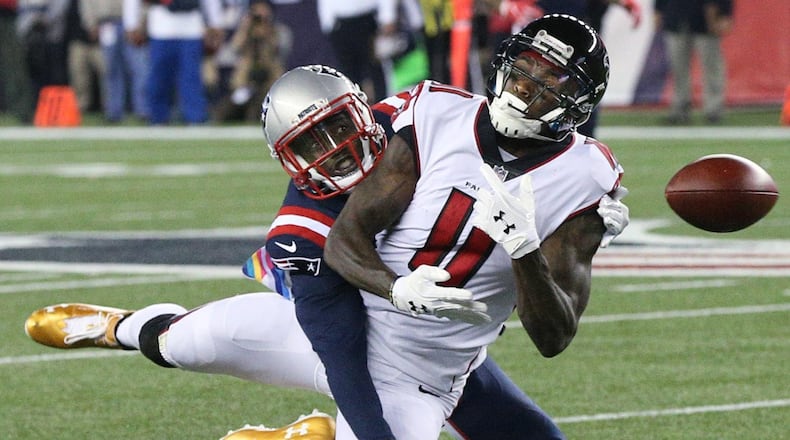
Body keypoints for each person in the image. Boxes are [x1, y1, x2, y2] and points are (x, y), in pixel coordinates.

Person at [25, 64, 628, 438]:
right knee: (184, 342)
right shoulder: (301, 226)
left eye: (340, 129)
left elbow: (494, 140)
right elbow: (341, 351)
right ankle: (120, 327)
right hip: (340, 340)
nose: (335, 153)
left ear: (367, 113)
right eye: (311, 145)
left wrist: (578, 210)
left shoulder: (413, 124)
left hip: (434, 366)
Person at [324, 13, 625, 439]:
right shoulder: (438, 113)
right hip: (342, 322)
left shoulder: (585, 176)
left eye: (551, 75)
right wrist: (397, 288)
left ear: (579, 99)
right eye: (526, 62)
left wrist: (524, 248)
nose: (526, 80)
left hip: (427, 370)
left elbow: (553, 337)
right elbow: (342, 240)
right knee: (195, 339)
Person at [122, 0, 224, 124]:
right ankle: (158, 118)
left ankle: (195, 117)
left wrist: (216, 23)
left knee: (191, 78)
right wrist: (131, 24)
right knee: (159, 78)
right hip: (161, 28)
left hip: (191, 27)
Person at [654, 0, 732, 125]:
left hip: (706, 18)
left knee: (712, 66)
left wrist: (725, 13)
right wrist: (657, 9)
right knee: (678, 68)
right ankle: (680, 108)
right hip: (676, 16)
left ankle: (713, 109)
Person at [80, 0, 149, 122]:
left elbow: (142, 3)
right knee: (111, 70)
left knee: (139, 67)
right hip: (106, 23)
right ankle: (114, 112)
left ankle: (143, 109)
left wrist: (141, 23)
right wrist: (90, 23)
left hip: (131, 24)